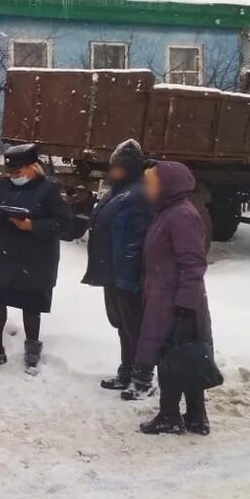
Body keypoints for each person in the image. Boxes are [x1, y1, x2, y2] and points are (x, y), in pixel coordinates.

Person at [136, 160, 214, 435]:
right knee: (185, 355)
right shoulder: (167, 212)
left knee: (174, 355)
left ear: (166, 185)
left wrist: (185, 304)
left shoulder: (181, 216)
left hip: (176, 300)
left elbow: (193, 263)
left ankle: (171, 415)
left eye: (150, 182)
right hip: (167, 296)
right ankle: (195, 416)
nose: (146, 188)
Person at [0, 143, 70, 376]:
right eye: (11, 172)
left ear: (32, 168)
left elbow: (64, 223)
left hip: (37, 256)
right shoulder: (2, 186)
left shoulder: (49, 189)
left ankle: (32, 352)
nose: (14, 176)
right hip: (6, 252)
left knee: (31, 304)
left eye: (18, 172)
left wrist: (33, 225)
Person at [81, 139, 152, 399]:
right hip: (112, 271)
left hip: (126, 274)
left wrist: (129, 276)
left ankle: (142, 378)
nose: (113, 172)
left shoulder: (138, 194)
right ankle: (126, 370)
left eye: (119, 167)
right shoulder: (118, 191)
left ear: (131, 169)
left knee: (135, 326)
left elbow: (136, 239)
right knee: (122, 324)